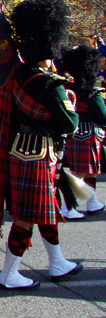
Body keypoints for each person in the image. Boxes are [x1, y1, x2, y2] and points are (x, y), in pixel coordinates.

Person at [0, 0, 82, 290]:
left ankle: (58, 261)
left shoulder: (19, 75)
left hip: (21, 149)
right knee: (27, 218)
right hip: (39, 154)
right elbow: (70, 124)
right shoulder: (48, 83)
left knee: (46, 210)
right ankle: (9, 274)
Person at [61, 45, 106, 215]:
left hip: (74, 133)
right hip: (89, 136)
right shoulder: (92, 93)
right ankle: (68, 207)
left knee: (90, 172)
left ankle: (92, 202)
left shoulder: (68, 87)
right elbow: (103, 116)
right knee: (79, 173)